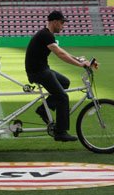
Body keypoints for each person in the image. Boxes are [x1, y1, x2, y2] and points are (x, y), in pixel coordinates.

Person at [25, 10, 92, 142]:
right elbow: (60, 55)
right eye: (62, 23)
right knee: (62, 97)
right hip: (37, 72)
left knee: (65, 82)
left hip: (42, 69)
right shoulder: (46, 35)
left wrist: (78, 59)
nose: (63, 26)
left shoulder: (47, 34)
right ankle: (60, 132)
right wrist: (81, 65)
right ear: (54, 22)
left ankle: (43, 110)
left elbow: (61, 51)